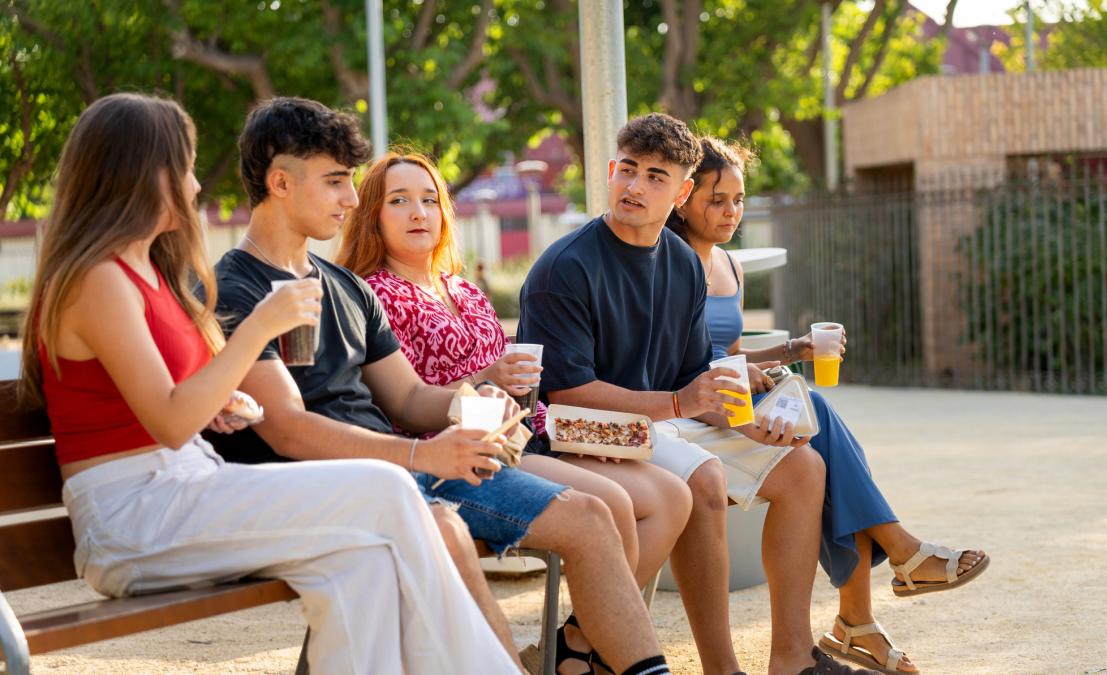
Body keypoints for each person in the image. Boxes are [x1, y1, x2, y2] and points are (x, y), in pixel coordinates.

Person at [17, 92, 515, 674]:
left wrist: (221, 403)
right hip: (136, 517)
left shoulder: (144, 269)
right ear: (141, 174)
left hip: (184, 487)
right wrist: (260, 327)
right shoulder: (97, 280)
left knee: (363, 563)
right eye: (184, 167)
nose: (197, 186)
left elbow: (176, 406)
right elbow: (171, 423)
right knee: (391, 491)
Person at [208, 97, 673, 675]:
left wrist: (470, 399)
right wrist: (420, 452)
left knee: (590, 517)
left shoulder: (347, 288)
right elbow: (290, 432)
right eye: (335, 182)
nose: (352, 199)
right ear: (280, 182)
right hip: (337, 486)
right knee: (449, 536)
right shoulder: (236, 288)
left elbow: (405, 398)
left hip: (407, 471)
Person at [520, 112, 870, 675]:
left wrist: (757, 427)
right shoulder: (565, 267)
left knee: (802, 467)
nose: (635, 186)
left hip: (662, 425)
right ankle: (721, 669)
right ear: (611, 171)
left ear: (681, 192)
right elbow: (566, 394)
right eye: (628, 170)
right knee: (704, 478)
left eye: (657, 176)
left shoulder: (683, 263)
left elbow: (694, 378)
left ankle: (791, 658)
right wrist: (684, 404)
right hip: (583, 431)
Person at [336, 151, 693, 672]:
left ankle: (576, 646)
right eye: (399, 201)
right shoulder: (375, 294)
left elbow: (518, 384)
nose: (418, 212)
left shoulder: (463, 290)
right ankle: (592, 656)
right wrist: (488, 382)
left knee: (671, 496)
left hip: (530, 432)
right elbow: (410, 405)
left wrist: (581, 438)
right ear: (373, 215)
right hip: (471, 446)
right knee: (613, 503)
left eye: (430, 200)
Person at [667, 135, 991, 674]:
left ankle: (865, 610)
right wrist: (757, 380)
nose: (731, 212)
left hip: (732, 394)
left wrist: (793, 350)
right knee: (824, 431)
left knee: (824, 434)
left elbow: (728, 352)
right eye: (716, 198)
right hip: (696, 410)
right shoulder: (673, 263)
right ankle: (877, 591)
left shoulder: (728, 265)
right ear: (685, 197)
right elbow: (684, 363)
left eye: (740, 199)